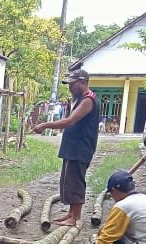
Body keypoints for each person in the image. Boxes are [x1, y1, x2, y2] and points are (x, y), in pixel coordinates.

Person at [32, 69, 100, 227]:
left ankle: (75, 217)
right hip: (73, 146)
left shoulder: (88, 100)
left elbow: (70, 121)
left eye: (73, 84)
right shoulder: (80, 99)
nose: (70, 87)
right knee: (68, 180)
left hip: (80, 147)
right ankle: (71, 213)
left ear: (83, 82)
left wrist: (45, 125)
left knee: (76, 180)